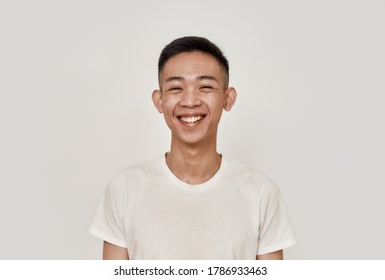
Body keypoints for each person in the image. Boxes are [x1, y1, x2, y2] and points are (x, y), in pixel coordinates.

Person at [89, 36, 295, 260]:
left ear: (228, 98)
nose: (190, 101)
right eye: (176, 88)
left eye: (205, 87)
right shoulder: (125, 189)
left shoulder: (261, 192)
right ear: (159, 100)